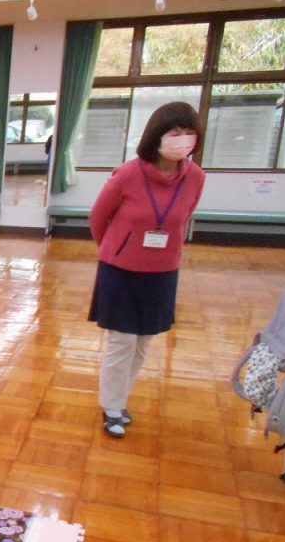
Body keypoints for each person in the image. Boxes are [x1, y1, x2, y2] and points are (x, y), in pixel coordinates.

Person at [88, 101, 205, 438]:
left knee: (143, 343)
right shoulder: (128, 173)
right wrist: (114, 248)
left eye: (188, 134)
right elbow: (98, 217)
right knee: (122, 340)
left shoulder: (195, 178)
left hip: (162, 271)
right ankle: (112, 407)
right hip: (121, 269)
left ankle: (120, 399)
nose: (181, 140)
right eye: (174, 133)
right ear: (157, 136)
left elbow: (182, 218)